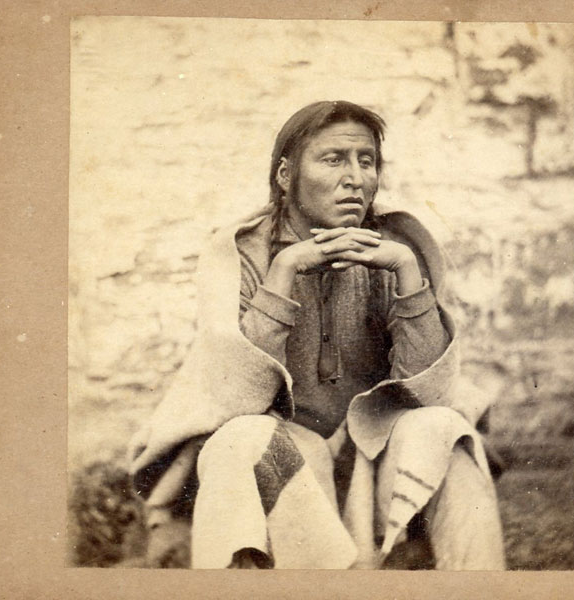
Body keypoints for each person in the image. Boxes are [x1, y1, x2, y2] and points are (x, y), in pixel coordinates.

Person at [127, 100, 505, 570]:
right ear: (286, 176)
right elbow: (234, 399)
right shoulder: (241, 255)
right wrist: (285, 269)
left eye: (366, 161)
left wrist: (406, 270)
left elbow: (429, 393)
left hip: (371, 455)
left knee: (444, 428)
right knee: (242, 437)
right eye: (333, 159)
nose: (356, 178)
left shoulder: (395, 248)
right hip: (285, 457)